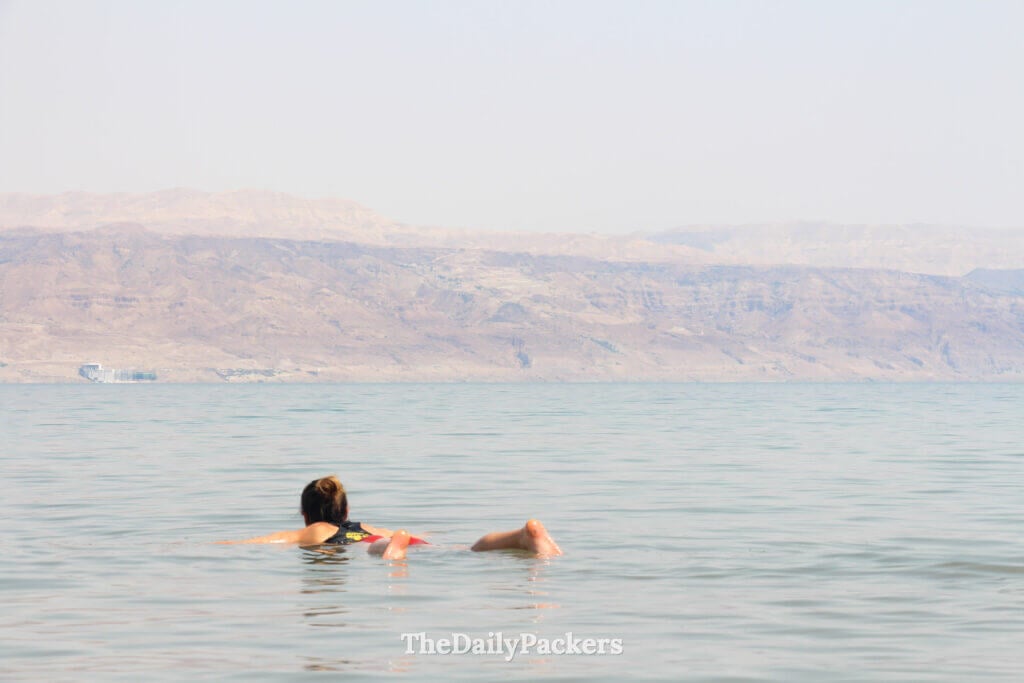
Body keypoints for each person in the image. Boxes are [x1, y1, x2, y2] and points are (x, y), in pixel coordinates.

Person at [223, 475, 562, 560]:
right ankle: (521, 536)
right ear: (346, 511)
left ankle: (393, 549)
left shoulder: (310, 533)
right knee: (464, 550)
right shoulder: (363, 526)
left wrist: (224, 542)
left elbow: (260, 542)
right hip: (397, 539)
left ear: (303, 514)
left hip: (380, 545)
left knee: (379, 549)